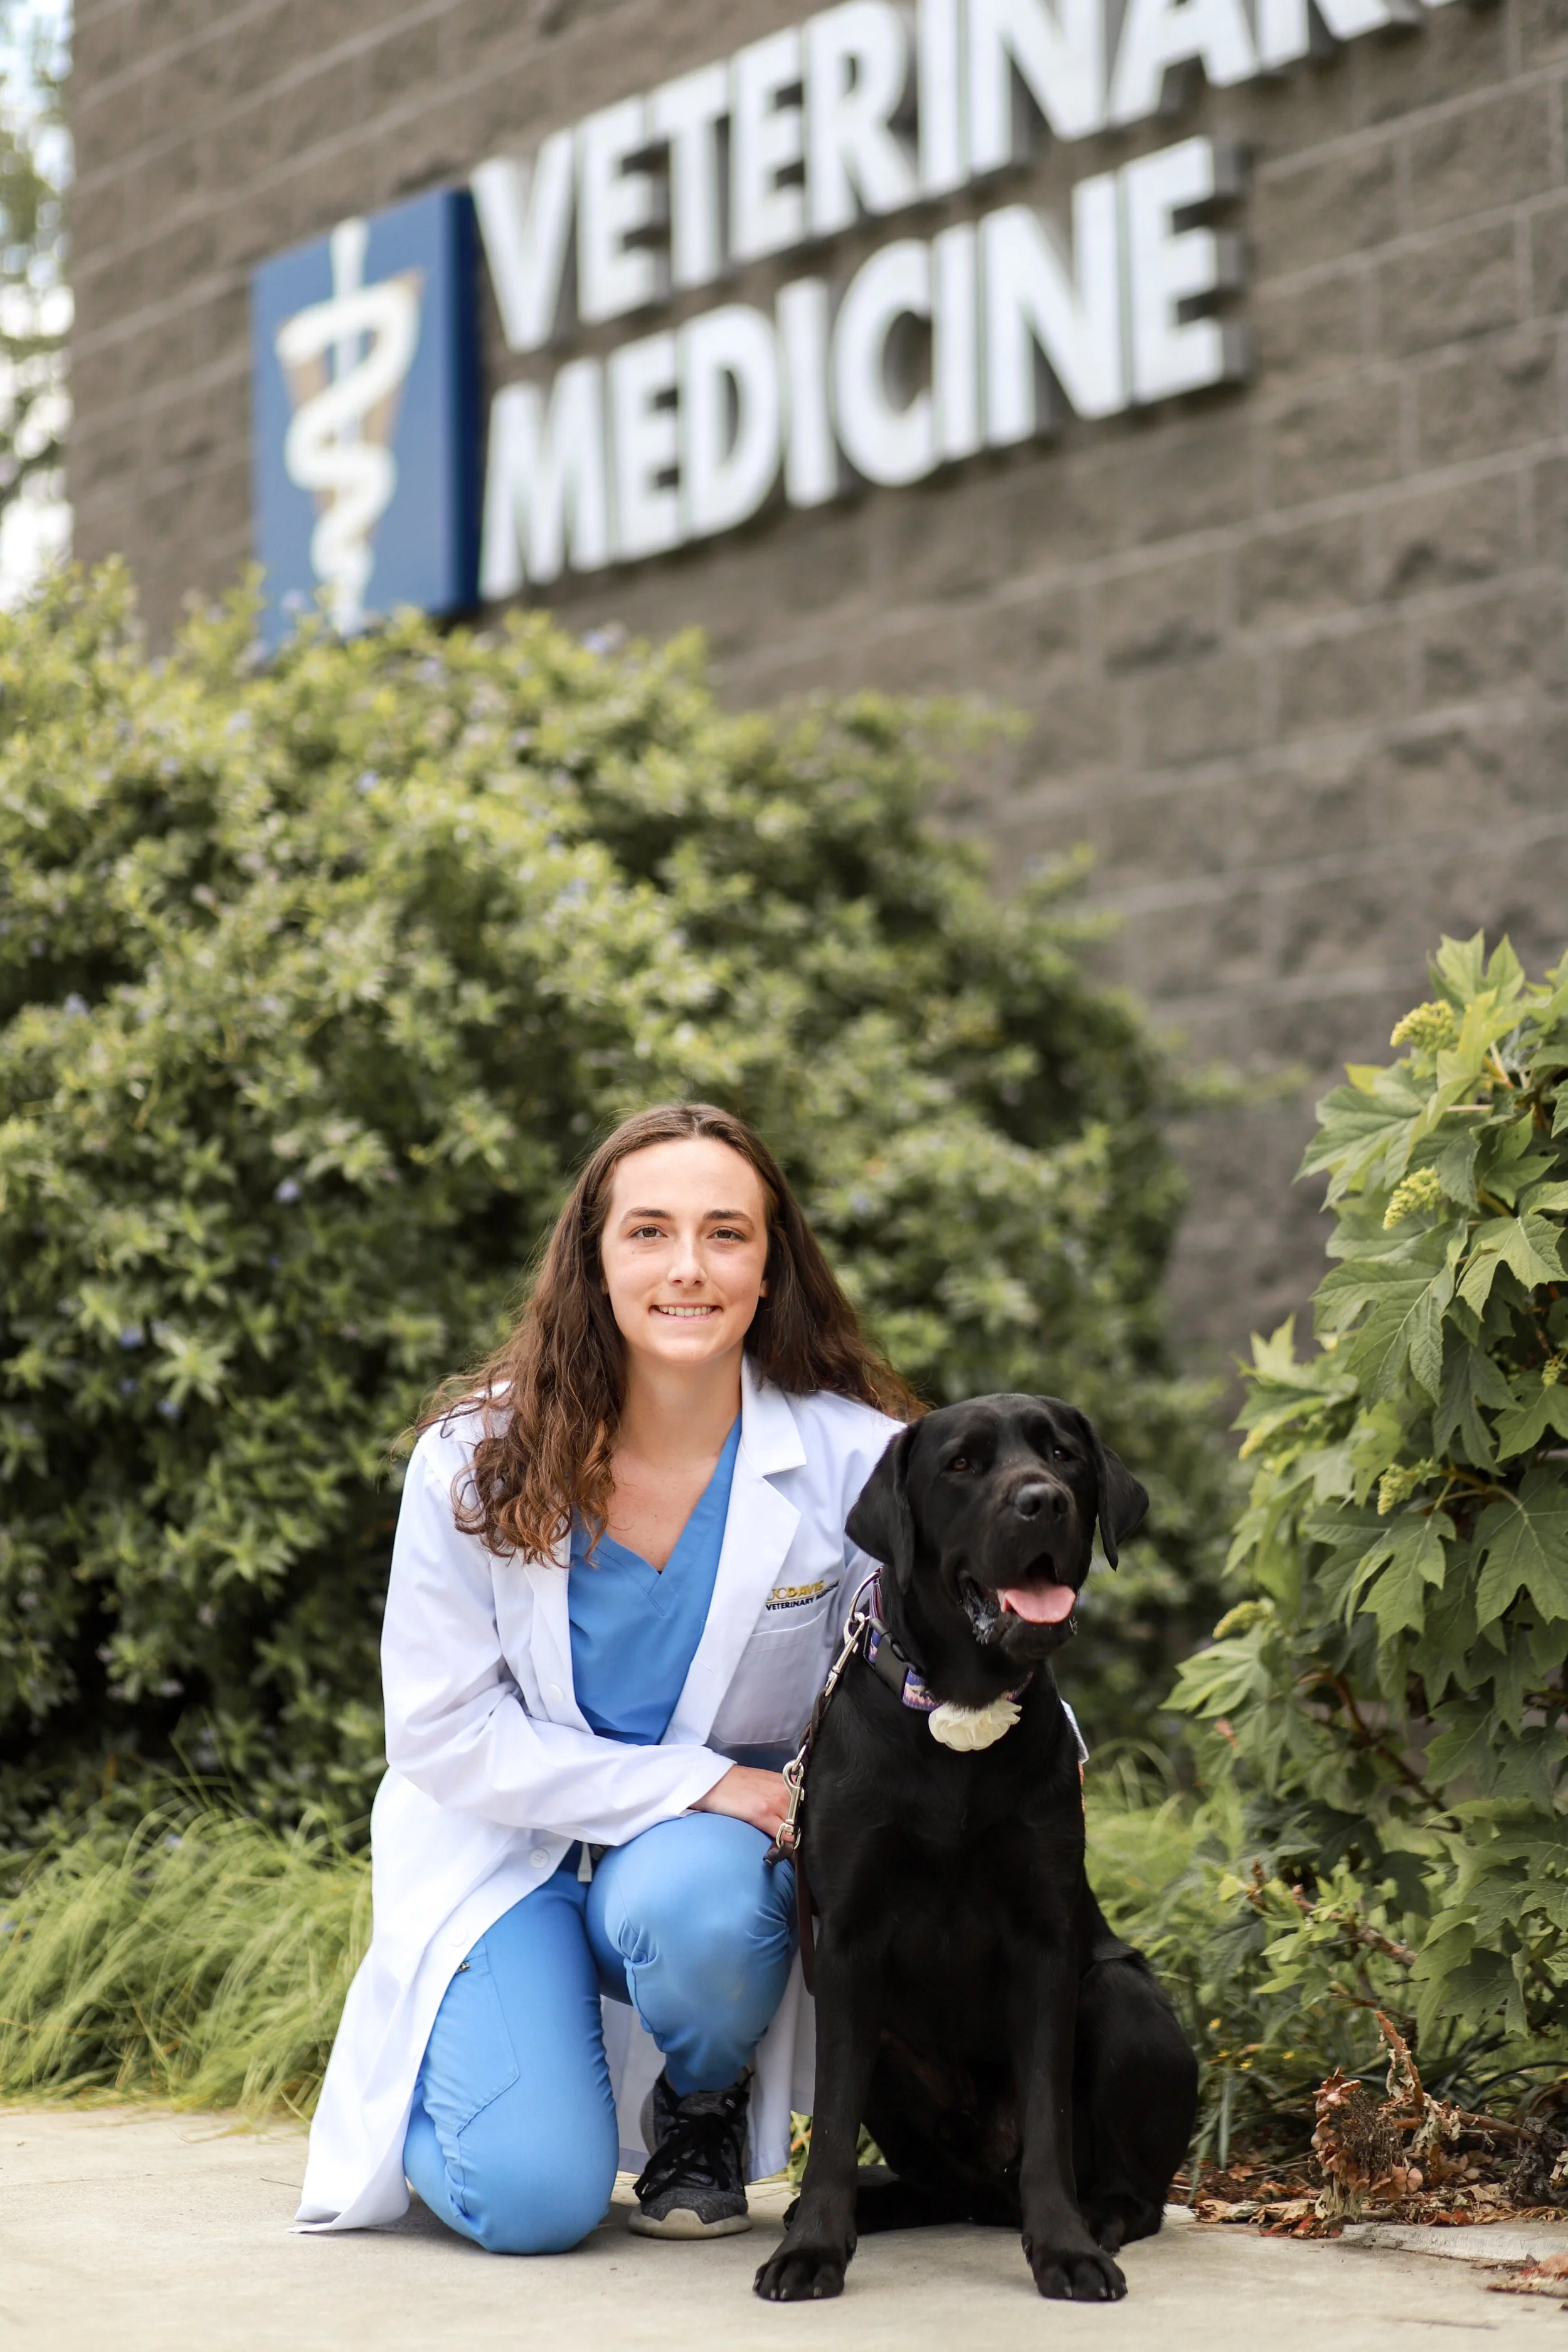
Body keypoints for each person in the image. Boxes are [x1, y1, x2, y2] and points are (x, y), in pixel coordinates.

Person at [295, 1103, 918, 2254]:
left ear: (773, 1265)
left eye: (726, 1233)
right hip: (504, 1848)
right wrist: (700, 1780)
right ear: (594, 1257)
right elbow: (441, 1734)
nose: (688, 1266)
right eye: (649, 1231)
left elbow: (933, 1653)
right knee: (535, 2205)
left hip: (698, 1880)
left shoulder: (856, 1458)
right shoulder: (474, 1461)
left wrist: (1044, 1749)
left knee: (703, 1905)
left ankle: (703, 2102)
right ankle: (472, 2084)